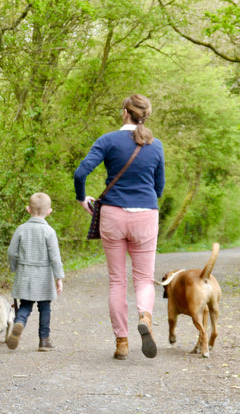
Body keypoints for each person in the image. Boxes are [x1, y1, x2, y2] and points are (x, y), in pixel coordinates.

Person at [73, 94, 165, 360]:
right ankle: (145, 318)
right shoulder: (155, 145)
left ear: (125, 112)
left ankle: (122, 343)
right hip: (146, 214)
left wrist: (82, 198)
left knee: (117, 281)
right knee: (144, 279)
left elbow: (81, 173)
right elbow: (158, 188)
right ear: (144, 115)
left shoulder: (107, 140)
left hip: (112, 214)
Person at [6, 193, 65, 352]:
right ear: (49, 211)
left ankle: (19, 322)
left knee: (25, 306)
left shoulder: (21, 229)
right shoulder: (49, 232)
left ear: (28, 209)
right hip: (44, 277)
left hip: (25, 274)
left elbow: (11, 252)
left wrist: (14, 268)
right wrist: (59, 278)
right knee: (45, 308)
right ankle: (44, 341)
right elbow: (55, 257)